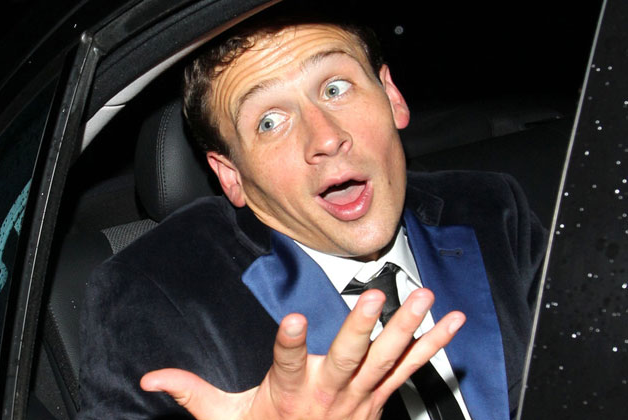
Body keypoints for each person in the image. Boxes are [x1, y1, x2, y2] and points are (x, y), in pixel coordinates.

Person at [77, 4, 547, 420]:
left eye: (336, 88)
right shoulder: (154, 299)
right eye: (269, 121)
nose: (325, 137)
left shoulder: (492, 211)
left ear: (392, 96)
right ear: (231, 175)